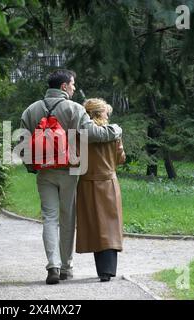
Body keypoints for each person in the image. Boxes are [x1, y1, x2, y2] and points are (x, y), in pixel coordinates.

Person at [19, 70, 123, 285]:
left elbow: (21, 146)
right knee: (67, 219)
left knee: (49, 218)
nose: (74, 88)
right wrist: (116, 129)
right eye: (73, 84)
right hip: (69, 171)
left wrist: (33, 165)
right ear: (64, 86)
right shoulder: (74, 109)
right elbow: (94, 134)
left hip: (45, 173)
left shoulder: (31, 110)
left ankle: (53, 266)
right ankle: (66, 267)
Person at [75, 98, 126, 282]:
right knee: (110, 226)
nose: (108, 115)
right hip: (109, 183)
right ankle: (108, 270)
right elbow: (121, 158)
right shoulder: (114, 134)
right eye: (106, 112)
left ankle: (102, 270)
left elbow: (75, 161)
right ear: (98, 113)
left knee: (95, 226)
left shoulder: (80, 135)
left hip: (87, 184)